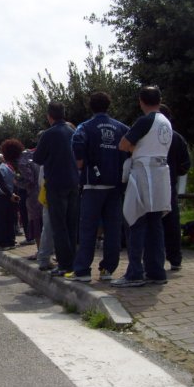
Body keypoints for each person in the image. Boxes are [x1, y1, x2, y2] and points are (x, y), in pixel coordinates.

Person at [112, 86, 172, 288]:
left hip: (144, 173)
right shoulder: (166, 122)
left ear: (141, 101)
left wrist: (134, 148)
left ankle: (135, 273)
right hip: (161, 173)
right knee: (155, 224)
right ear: (160, 100)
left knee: (136, 220)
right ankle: (156, 271)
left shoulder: (145, 120)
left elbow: (123, 144)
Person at [65, 92, 128, 283]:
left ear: (90, 106)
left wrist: (81, 164)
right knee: (113, 229)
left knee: (88, 229)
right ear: (109, 105)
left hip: (93, 184)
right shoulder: (121, 128)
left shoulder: (85, 127)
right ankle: (108, 269)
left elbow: (77, 148)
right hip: (115, 185)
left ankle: (83, 270)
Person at [33, 102, 79, 276]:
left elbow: (38, 158)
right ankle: (73, 262)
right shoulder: (73, 131)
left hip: (56, 183)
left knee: (59, 226)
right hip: (73, 182)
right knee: (71, 224)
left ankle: (64, 265)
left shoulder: (49, 134)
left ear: (49, 116)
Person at [159, 104, 191, 270]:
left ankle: (154, 258)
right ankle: (175, 259)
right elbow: (186, 164)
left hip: (153, 183)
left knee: (152, 221)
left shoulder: (150, 136)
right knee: (172, 223)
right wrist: (175, 171)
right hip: (170, 184)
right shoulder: (178, 138)